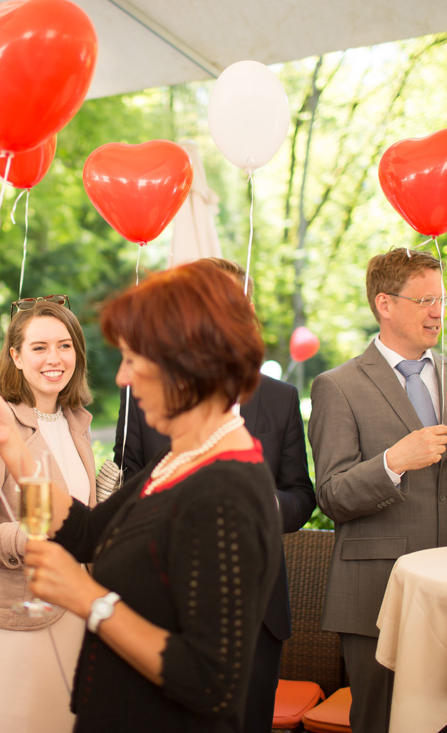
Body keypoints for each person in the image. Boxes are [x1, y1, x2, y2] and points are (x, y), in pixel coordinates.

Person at [0, 261, 282, 732]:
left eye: (135, 359)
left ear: (186, 361)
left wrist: (88, 598)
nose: (122, 378)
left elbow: (211, 681)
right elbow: (86, 533)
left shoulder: (228, 491)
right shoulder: (176, 459)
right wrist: (11, 447)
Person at [113, 257, 316, 733]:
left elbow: (301, 495)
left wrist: (266, 505)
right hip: (161, 603)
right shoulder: (144, 393)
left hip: (258, 610)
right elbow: (123, 484)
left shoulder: (281, 398)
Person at [307, 247, 447, 733]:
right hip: (376, 591)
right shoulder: (337, 386)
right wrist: (393, 463)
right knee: (382, 723)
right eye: (424, 300)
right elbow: (331, 495)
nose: (438, 311)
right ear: (384, 304)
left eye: (442, 298)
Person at [0, 296, 96, 733]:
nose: (55, 358)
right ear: (15, 355)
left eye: (65, 345)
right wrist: (28, 537)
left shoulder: (77, 423)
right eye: (39, 347)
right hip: (21, 614)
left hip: (77, 607)